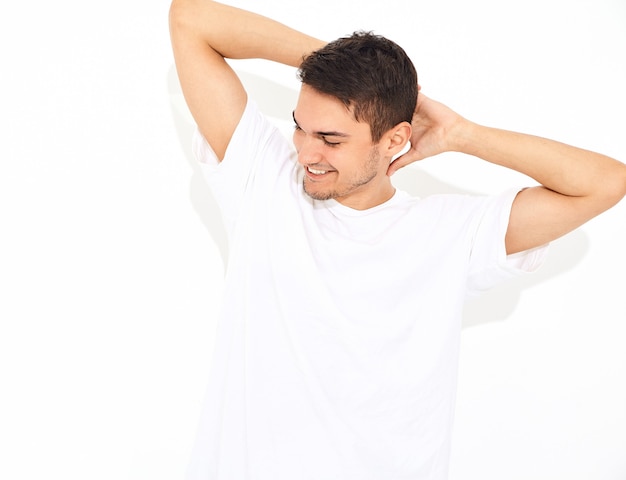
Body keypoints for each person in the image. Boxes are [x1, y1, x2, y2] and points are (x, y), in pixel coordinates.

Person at [168, 1, 626, 479]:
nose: (306, 152)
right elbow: (191, 19)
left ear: (393, 140)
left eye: (331, 138)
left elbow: (605, 182)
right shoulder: (263, 178)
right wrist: (343, 67)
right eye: (300, 127)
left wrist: (463, 134)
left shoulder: (450, 231)